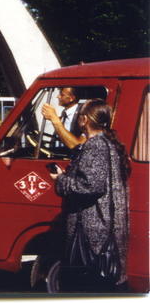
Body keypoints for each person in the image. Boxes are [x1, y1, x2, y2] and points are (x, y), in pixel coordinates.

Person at [50, 99, 130, 291]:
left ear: (84, 119)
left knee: (86, 286)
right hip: (106, 228)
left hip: (93, 233)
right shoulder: (110, 143)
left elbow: (90, 186)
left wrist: (60, 180)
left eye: (79, 115)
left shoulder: (94, 146)